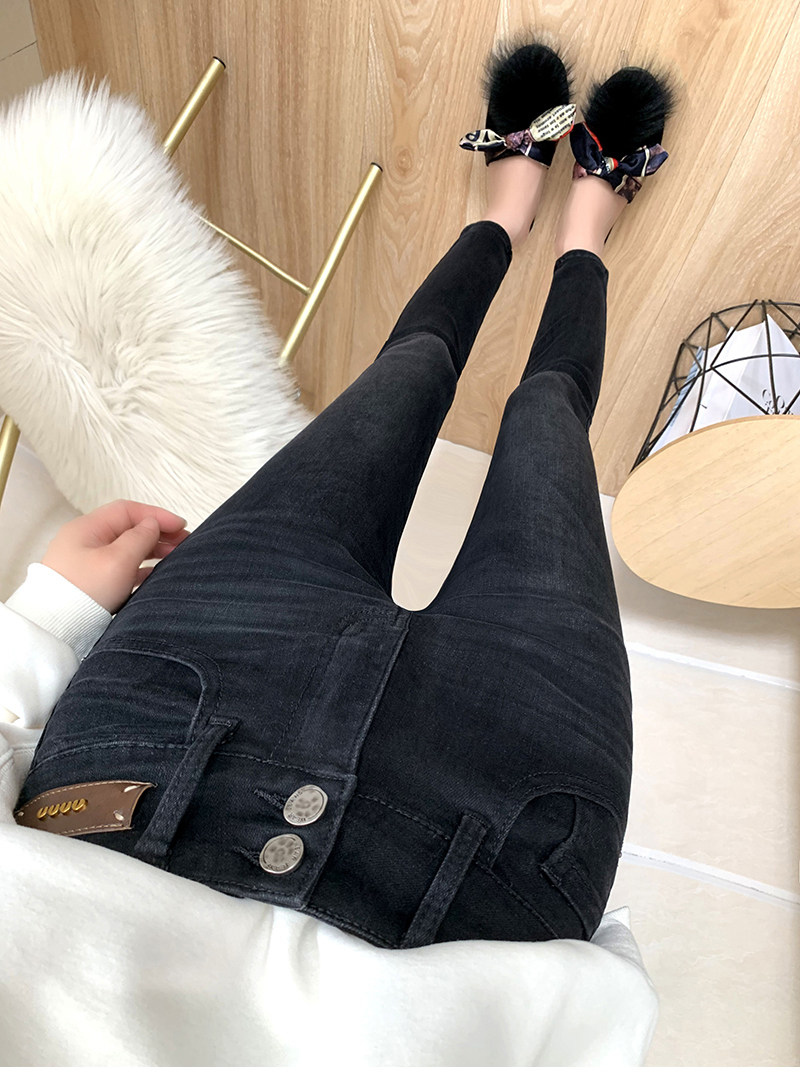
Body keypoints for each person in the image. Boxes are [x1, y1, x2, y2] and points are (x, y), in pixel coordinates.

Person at [1, 36, 675, 1065]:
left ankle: (503, 212)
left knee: (403, 375)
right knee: (548, 421)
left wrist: (44, 618)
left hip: (149, 736)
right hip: (491, 878)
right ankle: (586, 230)